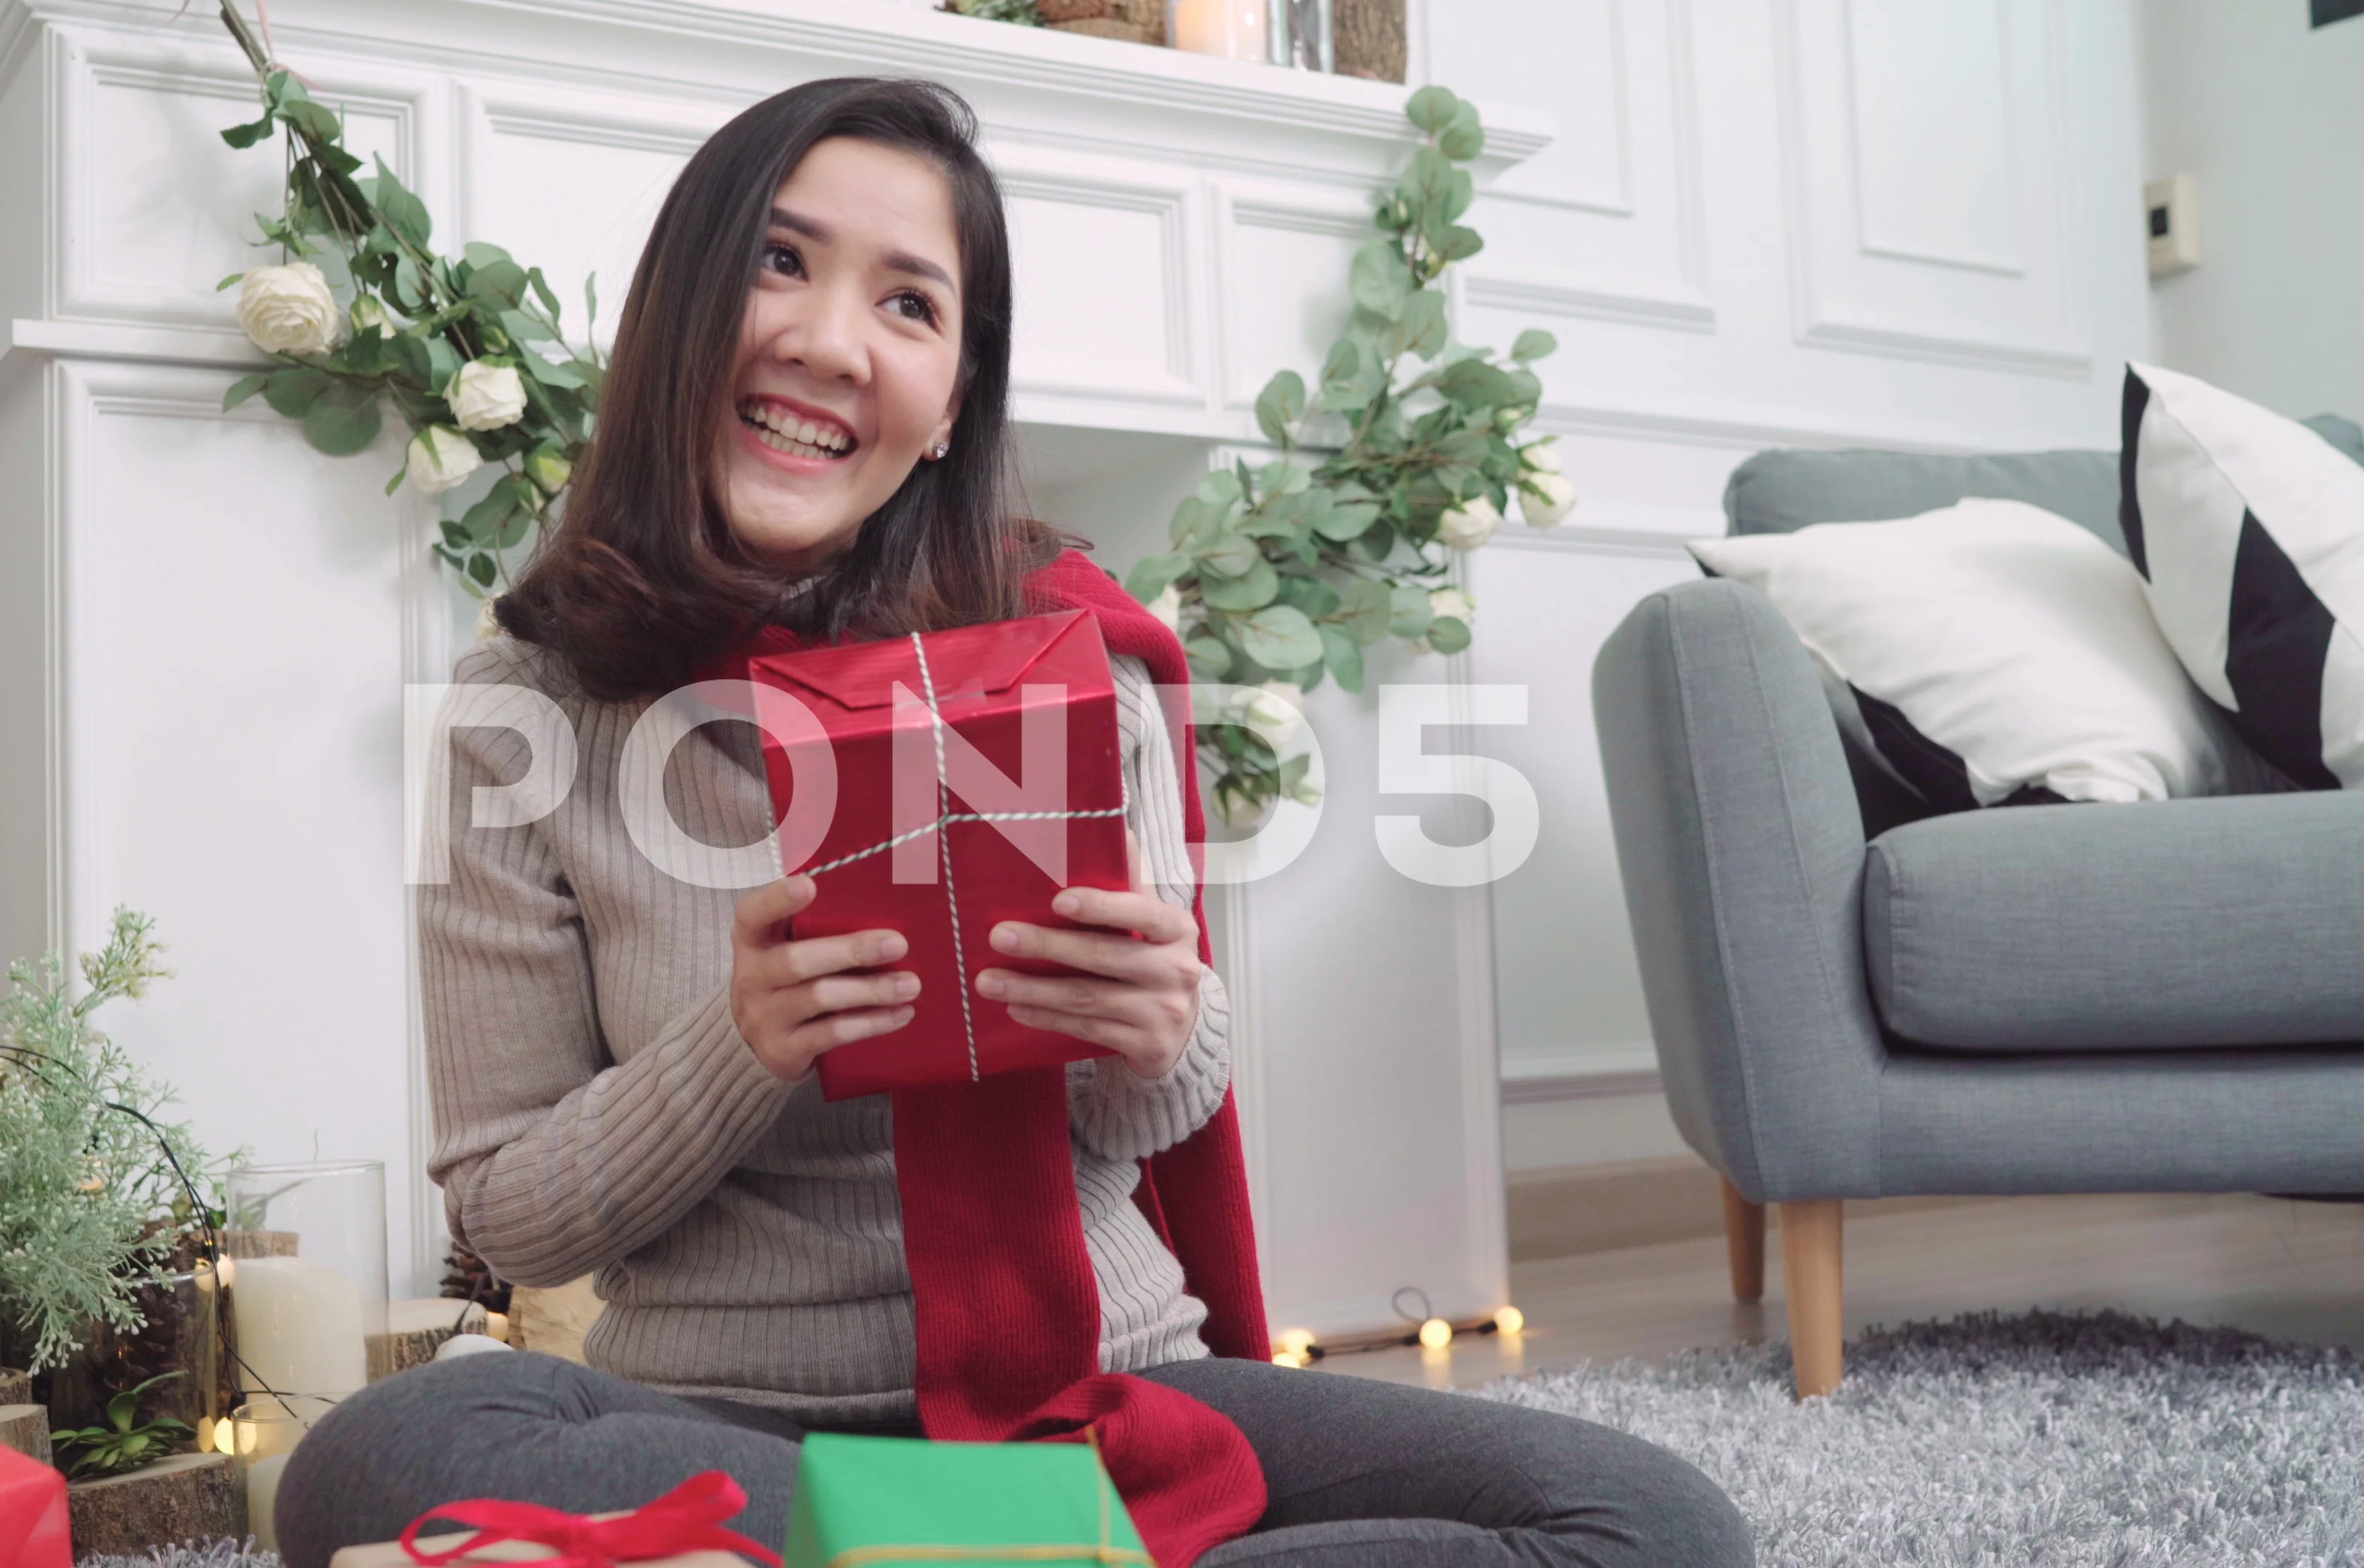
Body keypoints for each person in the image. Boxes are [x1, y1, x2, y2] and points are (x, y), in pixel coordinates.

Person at [278, 75, 1751, 1568]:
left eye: (910, 306)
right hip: (728, 1425)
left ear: (947, 410)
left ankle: (954, 1554)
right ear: (675, 314)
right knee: (381, 1451)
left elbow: (1148, 1119)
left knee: (1654, 1527)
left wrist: (1163, 1027)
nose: (831, 341)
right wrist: (744, 1045)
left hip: (1105, 1395)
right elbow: (520, 1224)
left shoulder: (1069, 653)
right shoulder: (519, 707)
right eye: (780, 262)